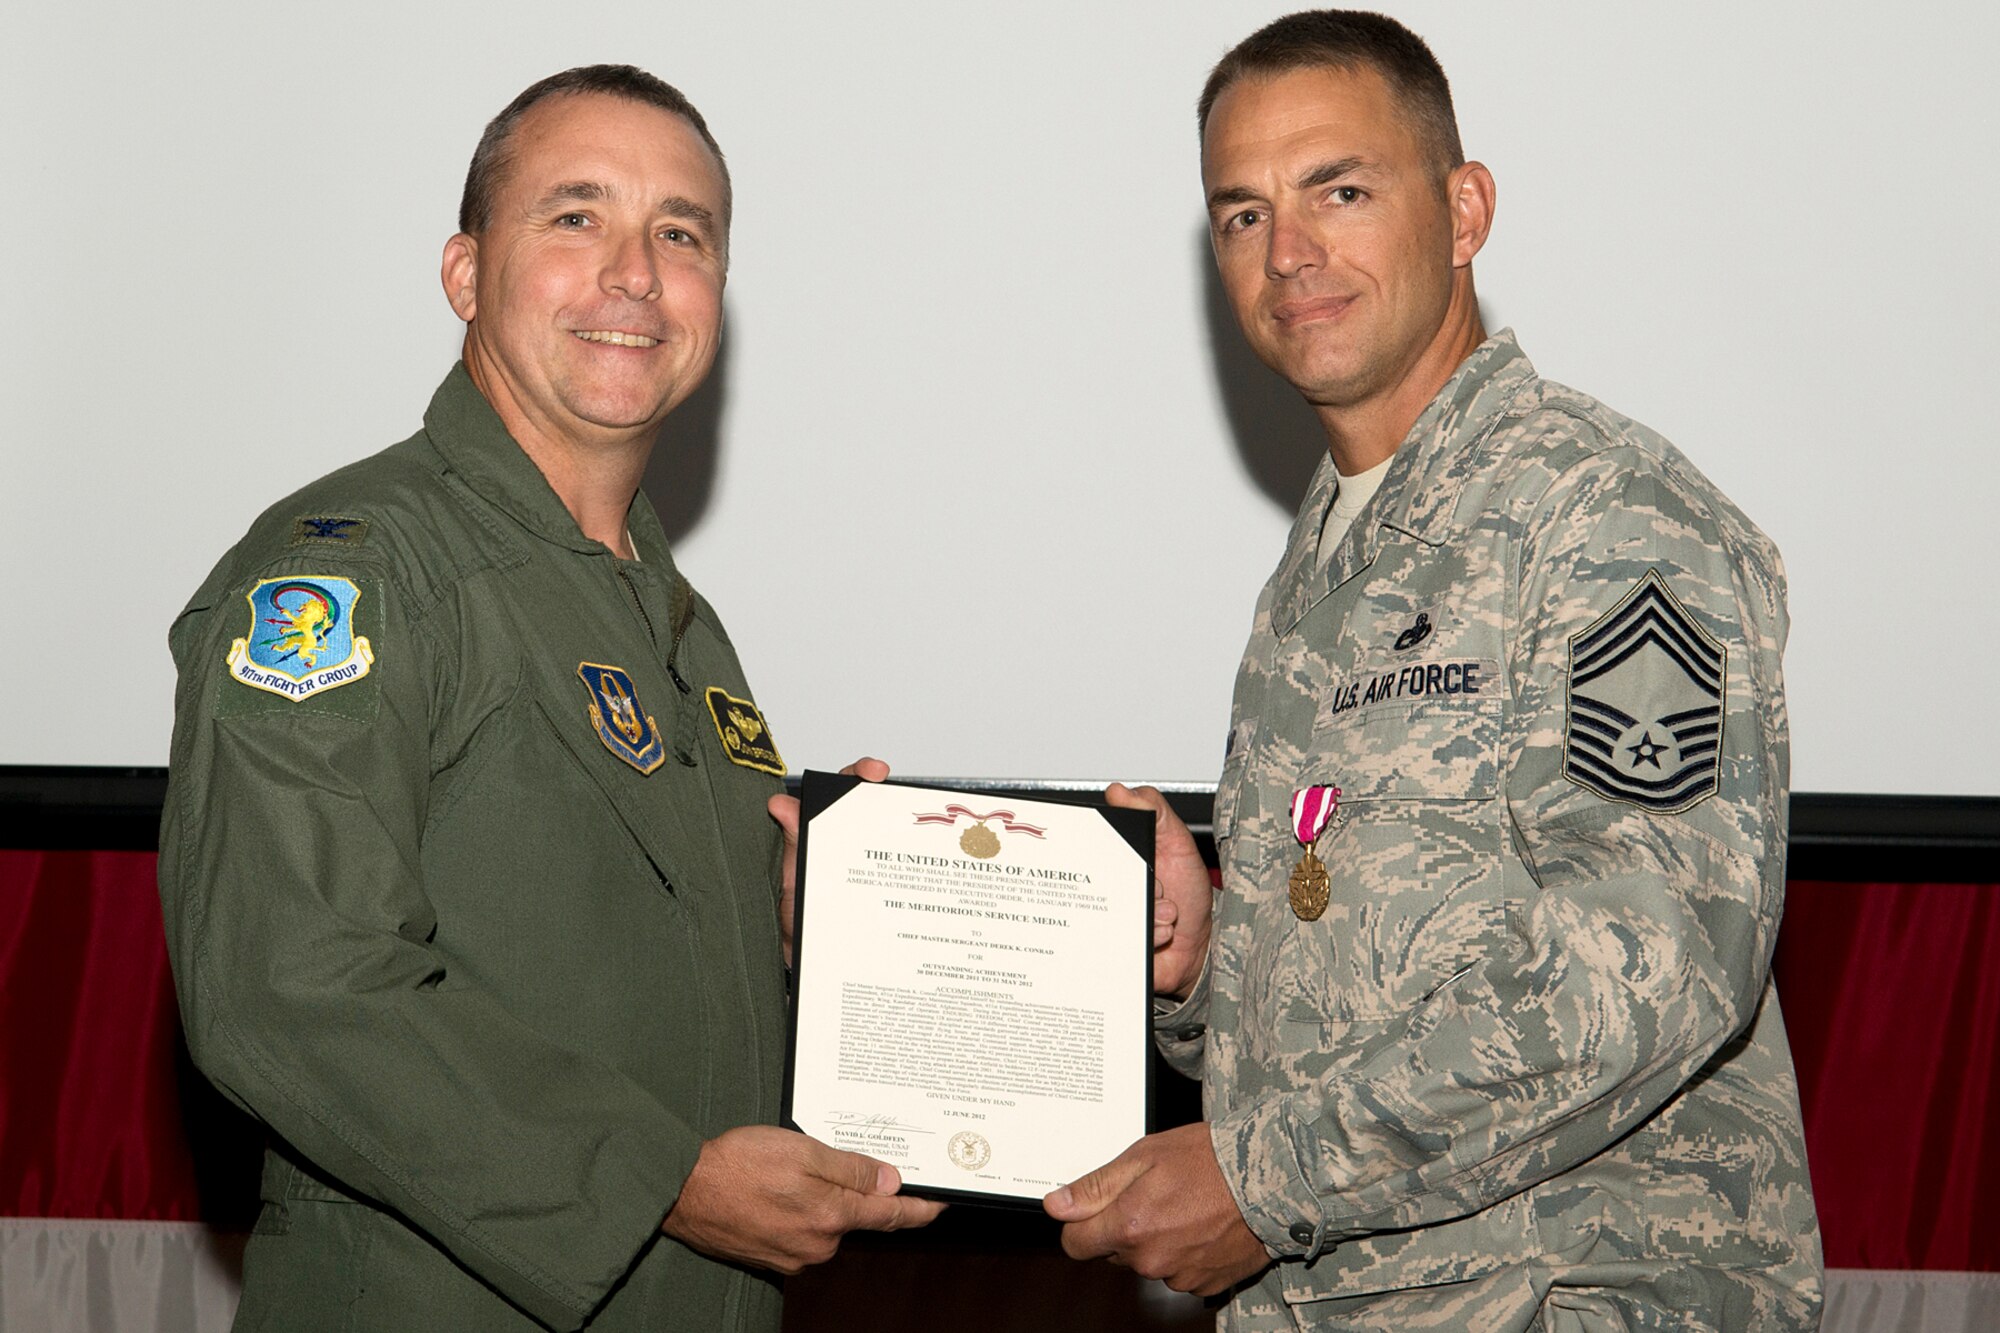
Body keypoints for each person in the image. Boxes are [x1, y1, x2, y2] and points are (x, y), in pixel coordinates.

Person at [1045, 12, 1822, 1330]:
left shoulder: (1607, 519)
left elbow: (1648, 961)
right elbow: (1383, 970)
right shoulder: (1321, 575)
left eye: (1339, 190)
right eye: (1241, 214)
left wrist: (1260, 1175)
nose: (1289, 255)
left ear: (1465, 211)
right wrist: (1202, 965)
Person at [157, 65, 939, 1333]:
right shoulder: (352, 570)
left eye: (680, 234)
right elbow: (292, 984)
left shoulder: (685, 630)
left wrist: (807, 932)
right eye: (575, 217)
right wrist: (660, 1184)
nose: (634, 272)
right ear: (465, 273)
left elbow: (614, 976)